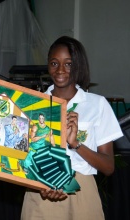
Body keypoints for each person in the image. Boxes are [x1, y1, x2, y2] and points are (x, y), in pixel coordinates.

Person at [20, 36, 123, 220]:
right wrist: (41, 185)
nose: (60, 70)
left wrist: (75, 143)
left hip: (81, 194)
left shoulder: (97, 104)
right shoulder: (33, 104)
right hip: (40, 191)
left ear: (78, 66)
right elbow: (21, 159)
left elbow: (108, 167)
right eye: (54, 63)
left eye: (68, 64)